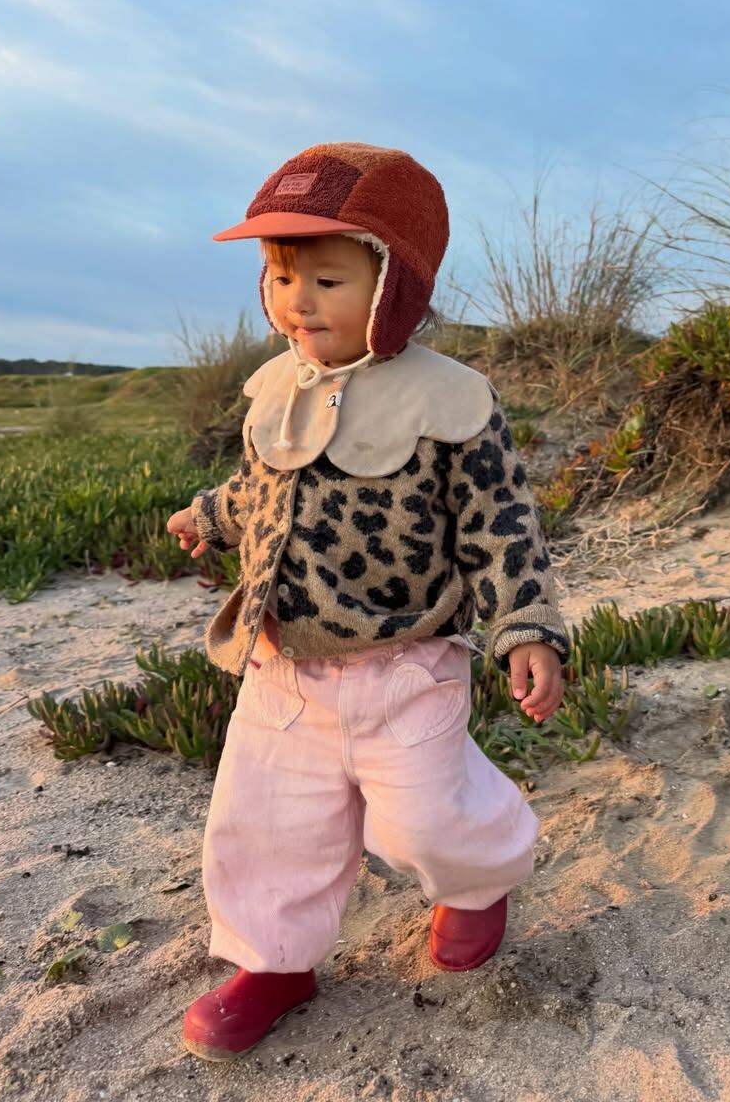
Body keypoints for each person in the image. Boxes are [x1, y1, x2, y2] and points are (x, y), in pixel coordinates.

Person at [166, 141, 569, 1062]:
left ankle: (474, 881)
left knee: (424, 815)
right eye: (279, 276)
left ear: (396, 285)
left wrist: (526, 629)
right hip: (283, 663)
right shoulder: (275, 388)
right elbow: (261, 486)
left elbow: (500, 526)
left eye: (329, 278)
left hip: (406, 661)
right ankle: (274, 960)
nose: (295, 299)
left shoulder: (451, 400)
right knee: (265, 818)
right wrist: (211, 516)